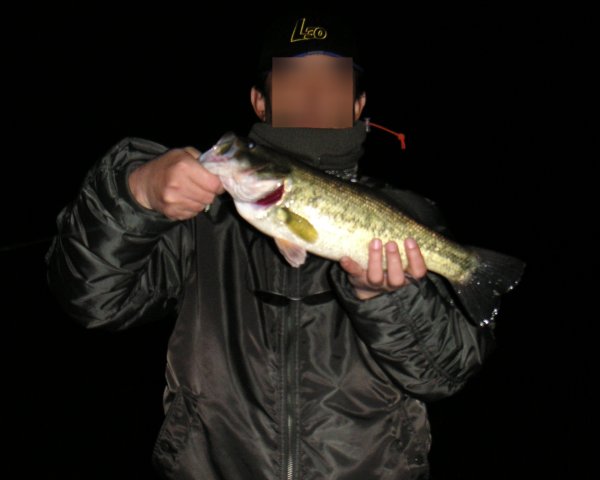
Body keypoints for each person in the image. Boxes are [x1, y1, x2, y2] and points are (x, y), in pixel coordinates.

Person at [46, 10, 496, 480]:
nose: (314, 93)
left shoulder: (407, 213)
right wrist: (135, 194)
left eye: (333, 78)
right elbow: (91, 301)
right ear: (260, 102)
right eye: (294, 77)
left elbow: (447, 374)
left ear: (358, 104)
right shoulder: (199, 216)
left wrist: (386, 297)